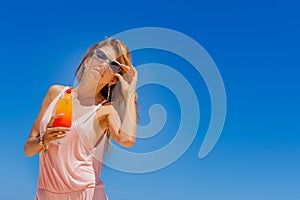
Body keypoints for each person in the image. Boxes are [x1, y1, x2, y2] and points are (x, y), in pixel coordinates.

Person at [24, 38, 138, 200]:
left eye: (113, 65)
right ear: (88, 60)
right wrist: (44, 139)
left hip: (86, 194)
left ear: (114, 79)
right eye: (100, 56)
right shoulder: (55, 94)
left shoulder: (106, 110)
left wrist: (130, 94)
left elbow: (127, 139)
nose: (104, 65)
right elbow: (28, 149)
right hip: (45, 194)